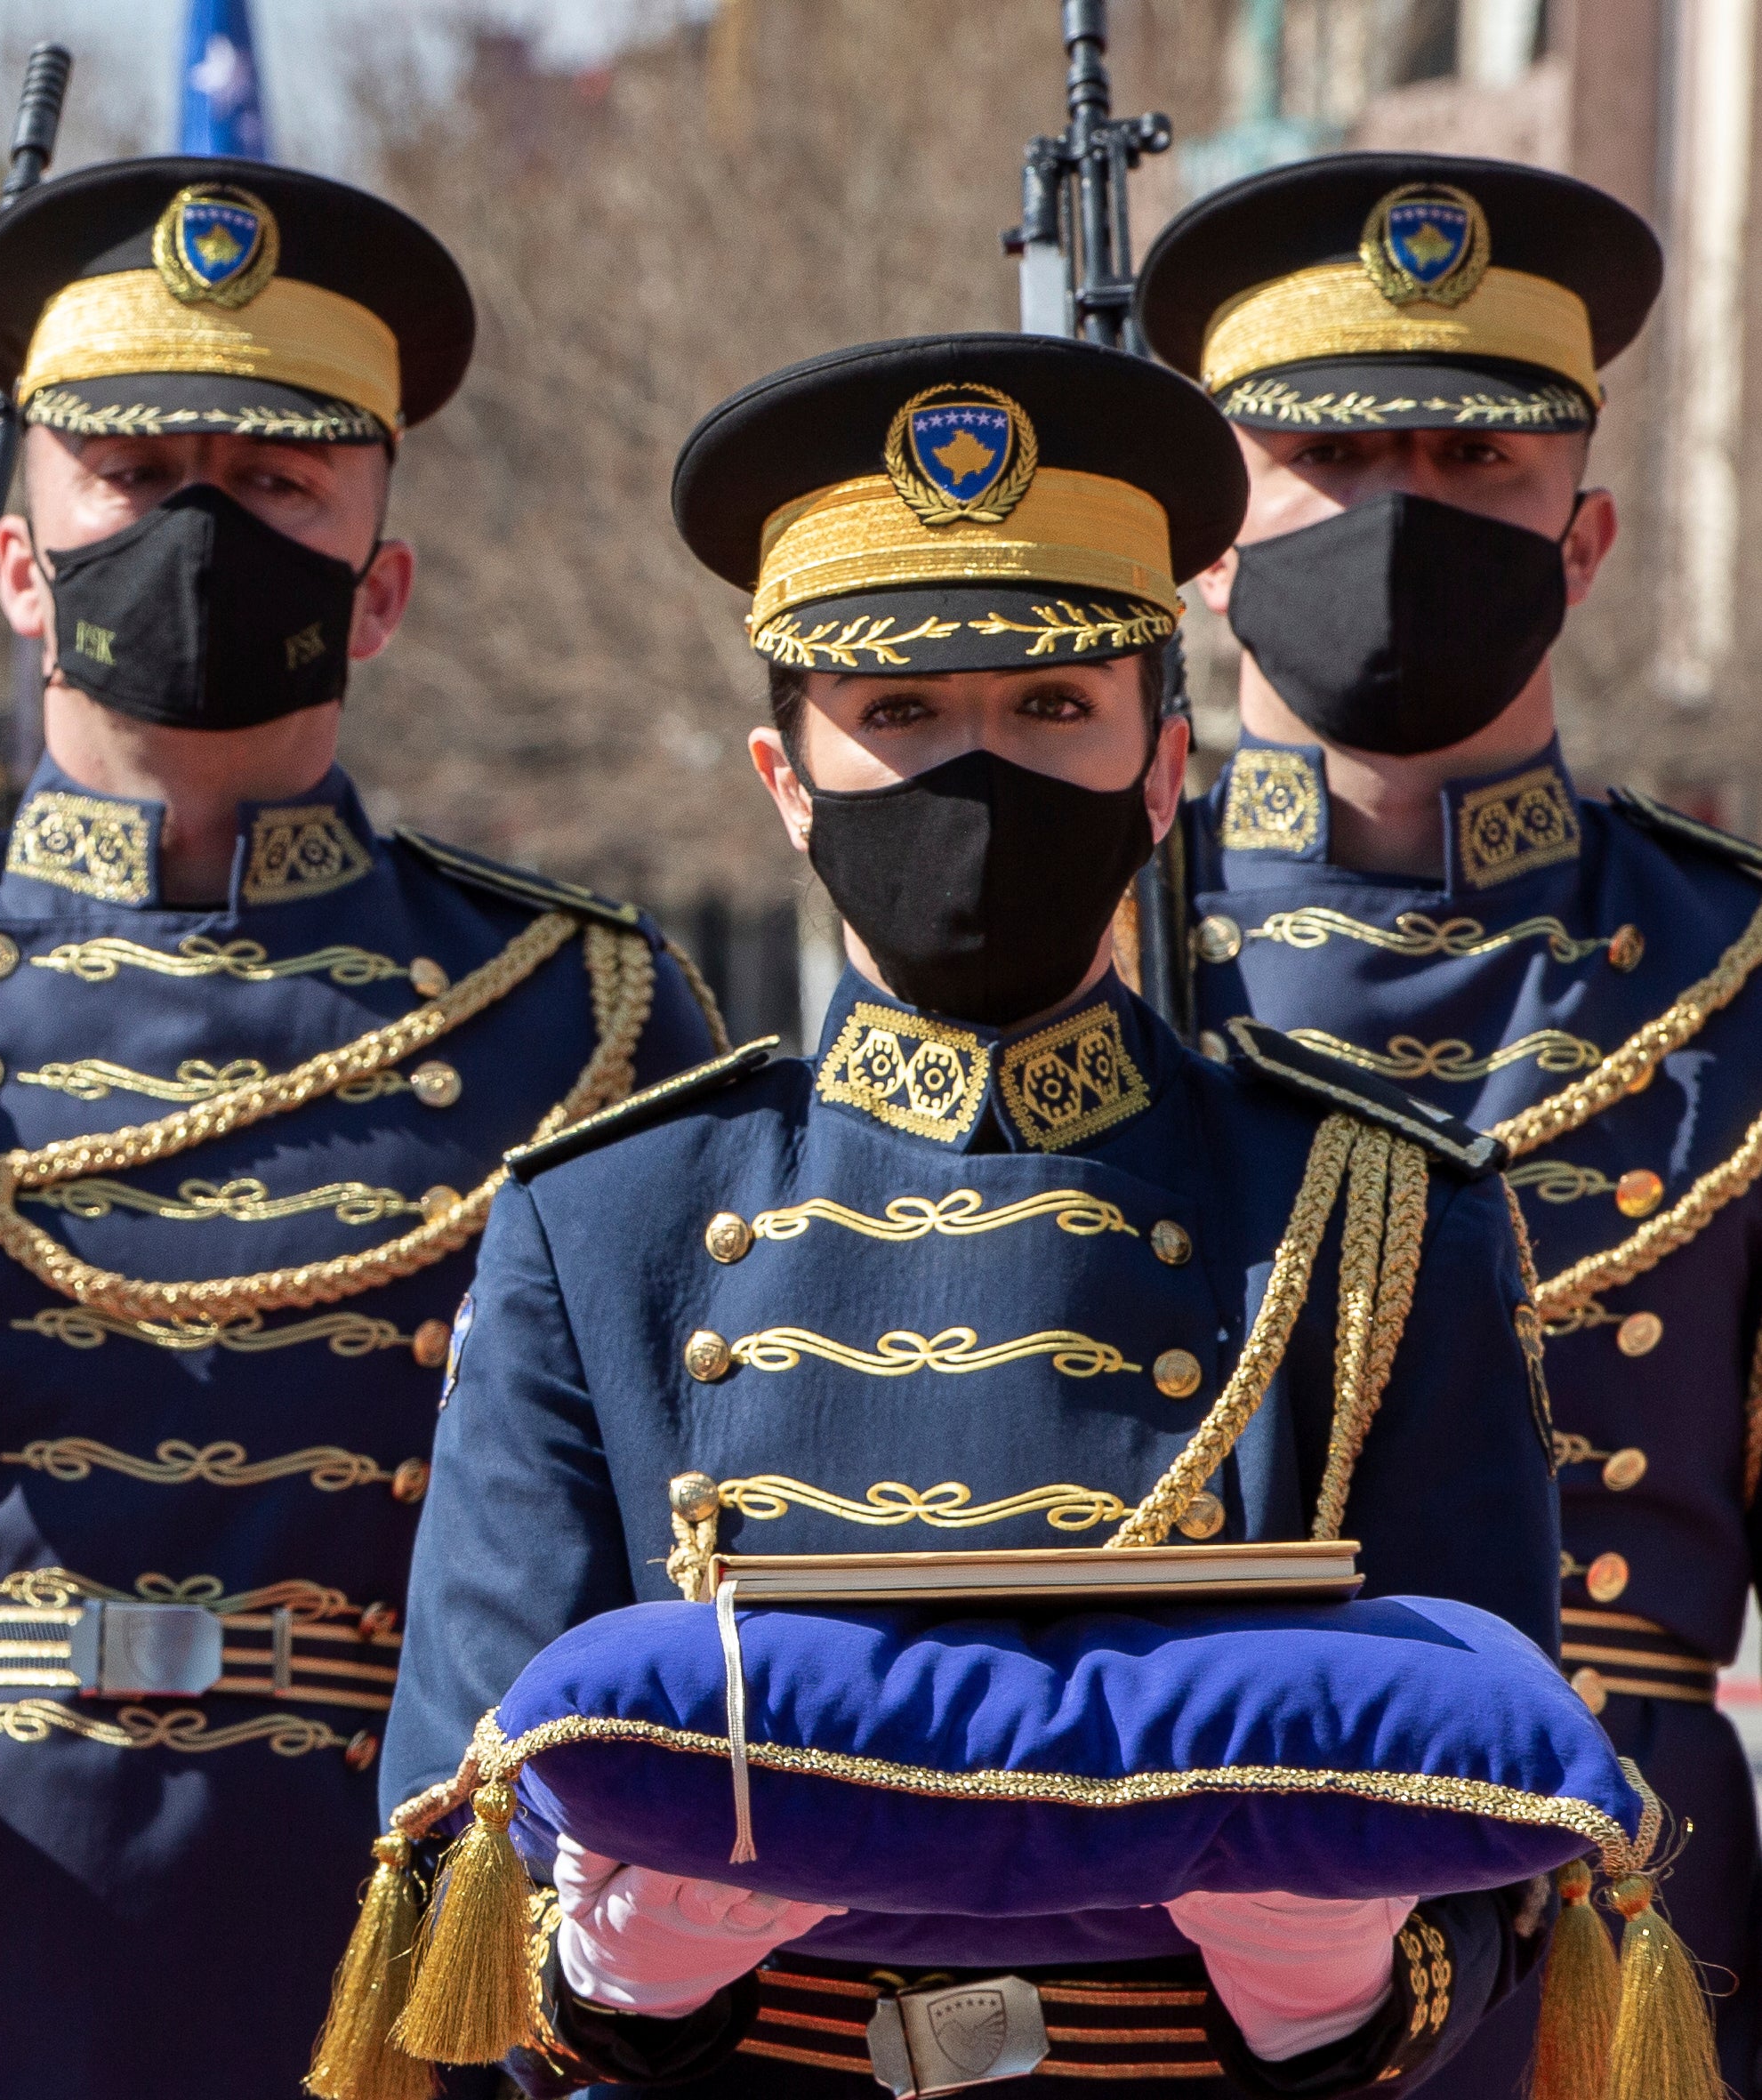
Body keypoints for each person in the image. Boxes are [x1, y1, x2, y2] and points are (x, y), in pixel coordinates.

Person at [0, 157, 724, 2098]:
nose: (202, 527)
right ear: (22, 565)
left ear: (380, 588)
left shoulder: (586, 1010)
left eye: (281, 485)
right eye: (136, 476)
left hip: (371, 1962)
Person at [382, 334, 1564, 2096]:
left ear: (1165, 772)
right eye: (902, 716)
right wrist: (617, 1960)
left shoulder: (1371, 1210)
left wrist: (1332, 1969)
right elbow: (445, 1843)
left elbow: (1494, 1818)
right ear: (784, 781)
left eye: (1048, 710)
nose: (974, 772)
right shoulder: (605, 1221)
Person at [1134, 152, 1756, 2085]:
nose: (1401, 517)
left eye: (1473, 465)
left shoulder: (1733, 967)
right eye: (1333, 458)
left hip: (1611, 1912)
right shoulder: (1070, 945)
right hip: (1157, 1886)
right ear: (1216, 541)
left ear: (1581, 542)